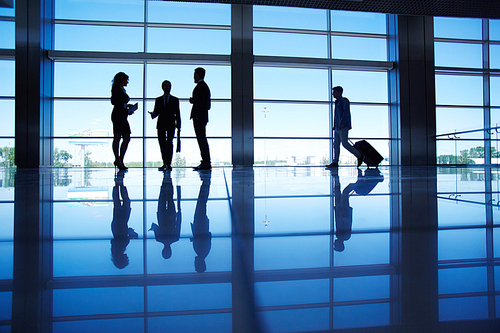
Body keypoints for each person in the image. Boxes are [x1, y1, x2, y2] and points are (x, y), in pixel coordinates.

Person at [326, 86, 363, 168]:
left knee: (345, 143)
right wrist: (335, 126)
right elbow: (336, 116)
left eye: (334, 92)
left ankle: (359, 155)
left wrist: (342, 123)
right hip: (337, 127)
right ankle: (335, 162)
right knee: (336, 144)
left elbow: (346, 113)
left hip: (343, 126)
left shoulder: (344, 101)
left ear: (339, 92)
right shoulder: (337, 102)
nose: (333, 94)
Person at [149, 80, 181, 172]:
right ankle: (165, 163)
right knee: (162, 144)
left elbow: (178, 113)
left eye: (169, 86)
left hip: (171, 124)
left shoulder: (175, 100)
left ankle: (168, 163)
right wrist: (152, 114)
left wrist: (179, 126)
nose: (167, 87)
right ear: (162, 87)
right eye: (166, 86)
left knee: (169, 144)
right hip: (161, 124)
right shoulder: (158, 100)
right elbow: (156, 112)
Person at [111, 72, 135, 171]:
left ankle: (120, 159)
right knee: (118, 137)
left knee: (126, 137)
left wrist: (127, 109)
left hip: (122, 115)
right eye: (126, 80)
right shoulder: (116, 88)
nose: (127, 82)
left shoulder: (121, 89)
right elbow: (114, 102)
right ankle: (118, 159)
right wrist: (126, 107)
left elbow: (120, 103)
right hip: (118, 115)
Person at [189, 67, 211, 170]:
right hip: (202, 117)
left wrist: (197, 115)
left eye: (194, 75)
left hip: (199, 117)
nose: (193, 77)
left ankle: (206, 162)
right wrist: (194, 100)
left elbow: (202, 103)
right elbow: (207, 104)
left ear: (198, 75)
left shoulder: (201, 86)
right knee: (202, 139)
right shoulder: (205, 87)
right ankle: (206, 161)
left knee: (201, 139)